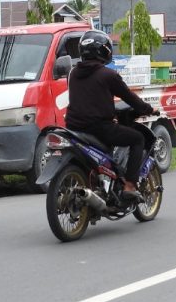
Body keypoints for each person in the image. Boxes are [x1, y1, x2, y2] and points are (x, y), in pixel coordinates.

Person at [64, 31, 156, 201]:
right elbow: (130, 98)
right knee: (137, 139)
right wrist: (149, 109)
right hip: (99, 128)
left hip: (73, 128)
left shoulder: (73, 74)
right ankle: (129, 185)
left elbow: (86, 97)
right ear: (104, 51)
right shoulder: (108, 75)